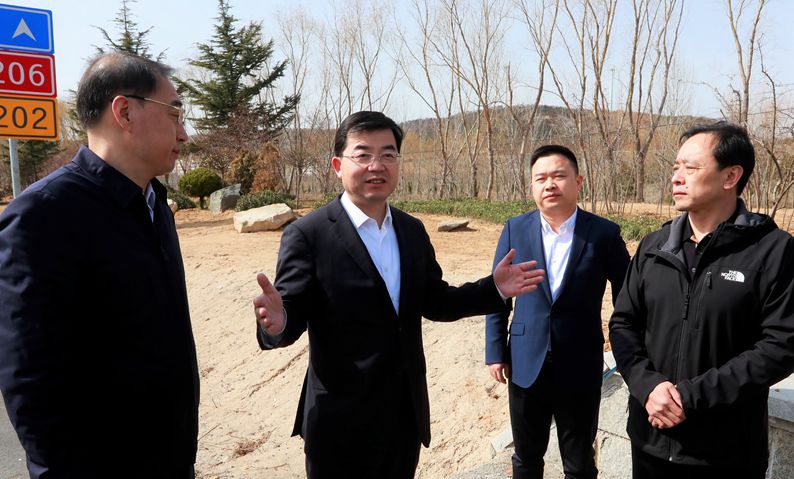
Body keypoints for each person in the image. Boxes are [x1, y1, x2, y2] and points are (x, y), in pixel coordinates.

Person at [253, 111, 545, 479]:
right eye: (363, 154)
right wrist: (278, 322)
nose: (376, 165)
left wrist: (495, 287)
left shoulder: (411, 230)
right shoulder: (308, 234)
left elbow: (437, 301)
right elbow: (289, 314)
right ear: (338, 166)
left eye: (388, 154)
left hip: (404, 417)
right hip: (339, 422)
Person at [0, 52, 198, 478]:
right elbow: (30, 382)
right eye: (174, 114)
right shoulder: (43, 216)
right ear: (124, 112)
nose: (184, 133)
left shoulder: (154, 206)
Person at [609, 122, 794, 479]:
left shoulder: (772, 251)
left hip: (726, 451)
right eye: (676, 167)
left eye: (691, 168)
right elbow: (623, 324)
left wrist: (689, 397)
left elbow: (781, 346)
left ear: (731, 176)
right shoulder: (654, 246)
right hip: (650, 441)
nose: (677, 177)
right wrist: (648, 386)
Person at [485, 145, 629, 479]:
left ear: (578, 182)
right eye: (541, 178)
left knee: (579, 462)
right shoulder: (515, 229)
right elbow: (497, 294)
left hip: (580, 360)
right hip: (524, 360)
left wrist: (626, 348)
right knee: (526, 457)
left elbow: (628, 297)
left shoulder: (603, 233)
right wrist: (495, 351)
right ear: (532, 186)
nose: (549, 184)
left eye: (559, 176)